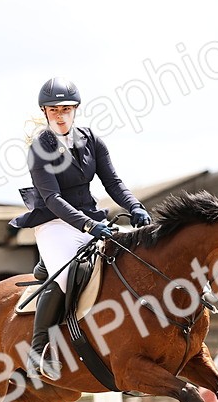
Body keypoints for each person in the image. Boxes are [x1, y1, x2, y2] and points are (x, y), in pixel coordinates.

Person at [10, 77, 152, 380]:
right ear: (45, 113)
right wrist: (88, 225)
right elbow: (53, 198)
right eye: (54, 110)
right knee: (62, 280)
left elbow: (112, 182)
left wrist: (135, 206)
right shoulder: (39, 149)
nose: (61, 116)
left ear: (75, 110)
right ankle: (37, 351)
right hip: (55, 223)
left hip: (92, 218)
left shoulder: (92, 141)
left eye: (66, 109)